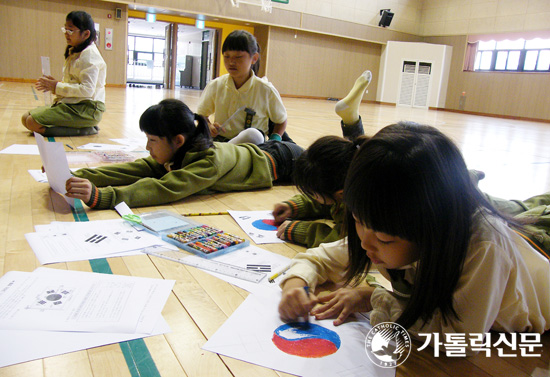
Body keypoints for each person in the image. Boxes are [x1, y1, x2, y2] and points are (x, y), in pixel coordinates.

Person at [279, 122, 550, 354]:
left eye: (385, 239)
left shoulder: (482, 246)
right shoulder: (387, 221)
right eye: (359, 223)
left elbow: (458, 337)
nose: (364, 243)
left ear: (432, 227)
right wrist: (297, 286)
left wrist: (373, 297)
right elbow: (318, 258)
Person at [64, 99, 303, 209]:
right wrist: (80, 174)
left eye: (152, 141)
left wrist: (101, 196)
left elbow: (165, 187)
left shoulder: (207, 163)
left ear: (178, 141)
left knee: (321, 168)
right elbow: (141, 168)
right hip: (257, 151)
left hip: (283, 161)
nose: (148, 147)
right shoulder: (180, 150)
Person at [272, 70, 372, 248]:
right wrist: (294, 206)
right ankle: (351, 120)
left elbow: (347, 244)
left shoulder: (363, 209)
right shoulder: (347, 178)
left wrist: (299, 230)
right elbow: (327, 201)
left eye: (313, 194)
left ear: (341, 194)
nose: (312, 196)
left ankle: (351, 119)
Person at [196, 30, 290, 145]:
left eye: (238, 57)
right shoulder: (216, 85)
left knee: (253, 135)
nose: (231, 62)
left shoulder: (265, 90)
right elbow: (202, 114)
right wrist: (209, 126)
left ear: (254, 58)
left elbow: (281, 120)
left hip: (251, 146)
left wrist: (274, 141)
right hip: (220, 142)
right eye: (227, 56)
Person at [21, 10, 106, 136]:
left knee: (32, 123)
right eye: (65, 30)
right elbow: (75, 82)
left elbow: (87, 90)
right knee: (25, 118)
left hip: (87, 109)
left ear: (86, 34)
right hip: (73, 104)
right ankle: (79, 127)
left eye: (71, 31)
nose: (66, 34)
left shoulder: (90, 55)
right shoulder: (75, 51)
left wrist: (56, 86)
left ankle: (85, 129)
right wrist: (57, 84)